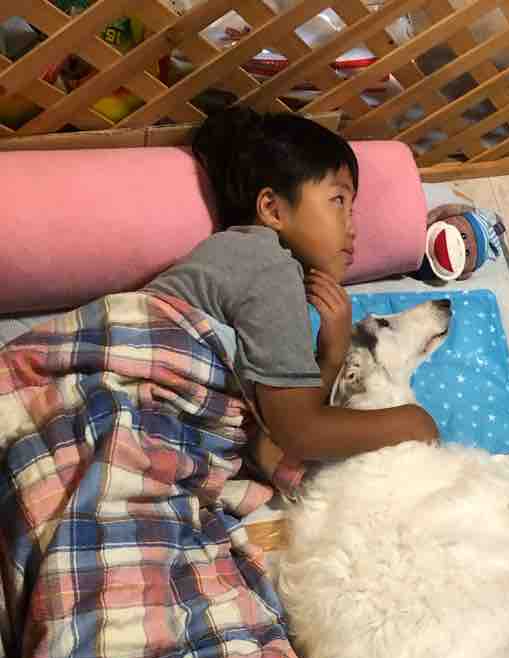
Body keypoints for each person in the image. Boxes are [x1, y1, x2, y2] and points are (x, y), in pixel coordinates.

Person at [146, 106, 438, 462]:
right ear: (272, 209)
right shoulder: (269, 268)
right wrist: (414, 422)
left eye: (352, 210)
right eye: (338, 200)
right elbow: (301, 434)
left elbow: (284, 420)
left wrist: (330, 356)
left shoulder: (241, 257)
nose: (352, 228)